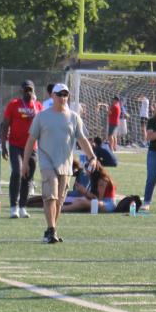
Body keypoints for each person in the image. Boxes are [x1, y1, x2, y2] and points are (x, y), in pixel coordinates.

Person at [24, 82, 98, 243]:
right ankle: (51, 229)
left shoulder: (74, 117)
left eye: (65, 95)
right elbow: (31, 140)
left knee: (59, 201)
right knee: (50, 196)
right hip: (47, 162)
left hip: (65, 164)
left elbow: (82, 140)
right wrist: (25, 163)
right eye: (59, 94)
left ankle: (52, 230)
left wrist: (92, 157)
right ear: (53, 96)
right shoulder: (41, 116)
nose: (63, 98)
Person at [0, 80, 42, 220]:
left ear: (34, 91)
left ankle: (23, 207)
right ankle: (14, 206)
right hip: (15, 145)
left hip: (32, 146)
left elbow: (43, 126)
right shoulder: (13, 104)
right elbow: (5, 125)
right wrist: (3, 145)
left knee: (28, 177)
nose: (28, 92)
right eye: (26, 89)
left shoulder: (38, 106)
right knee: (17, 172)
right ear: (21, 91)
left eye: (30, 90)